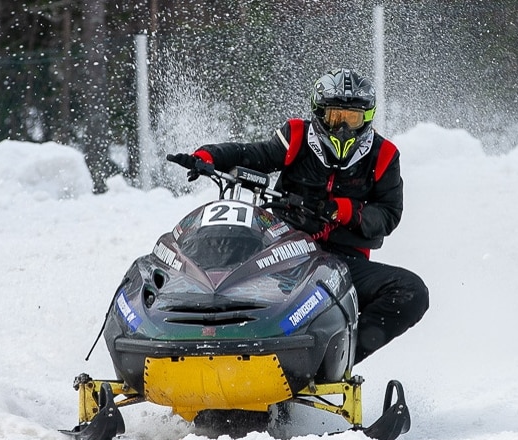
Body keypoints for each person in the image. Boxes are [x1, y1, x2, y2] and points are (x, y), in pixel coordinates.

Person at [168, 68, 428, 365]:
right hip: (283, 250)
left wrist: (345, 211)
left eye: (352, 118)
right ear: (319, 113)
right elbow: (254, 154)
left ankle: (331, 359)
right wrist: (208, 157)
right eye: (334, 116)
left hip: (342, 262)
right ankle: (195, 341)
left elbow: (389, 213)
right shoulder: (295, 137)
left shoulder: (383, 155)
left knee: (411, 292)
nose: (343, 127)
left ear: (366, 119)